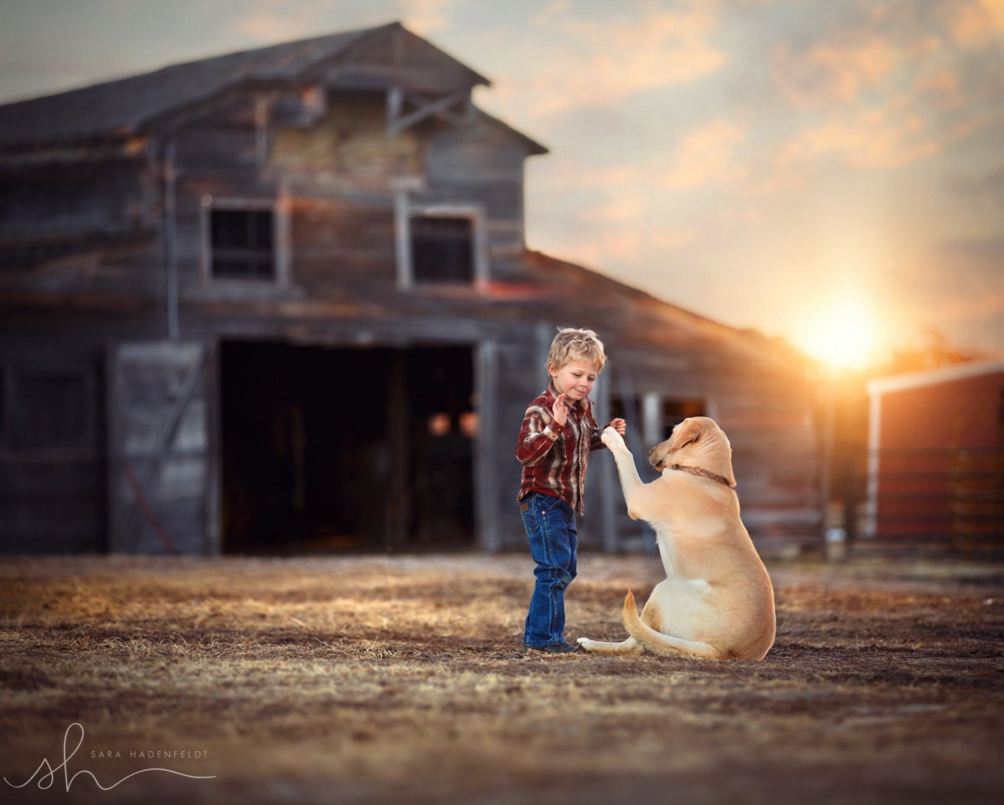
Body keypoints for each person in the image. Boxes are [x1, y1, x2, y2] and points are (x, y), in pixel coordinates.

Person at [514, 327, 627, 653]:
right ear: (553, 369)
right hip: (541, 498)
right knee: (553, 567)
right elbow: (524, 453)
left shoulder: (583, 408)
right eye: (577, 374)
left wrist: (606, 433)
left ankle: (544, 634)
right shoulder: (541, 409)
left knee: (566, 567)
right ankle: (543, 639)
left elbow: (582, 444)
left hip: (565, 501)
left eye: (591, 377)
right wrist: (554, 426)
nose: (584, 383)